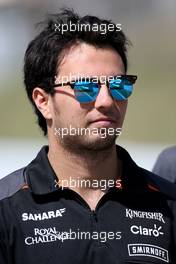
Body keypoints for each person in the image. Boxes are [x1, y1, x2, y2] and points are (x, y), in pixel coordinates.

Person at [0, 9, 176, 264]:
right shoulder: (7, 209)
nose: (106, 101)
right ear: (42, 101)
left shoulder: (167, 204)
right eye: (86, 87)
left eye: (118, 85)